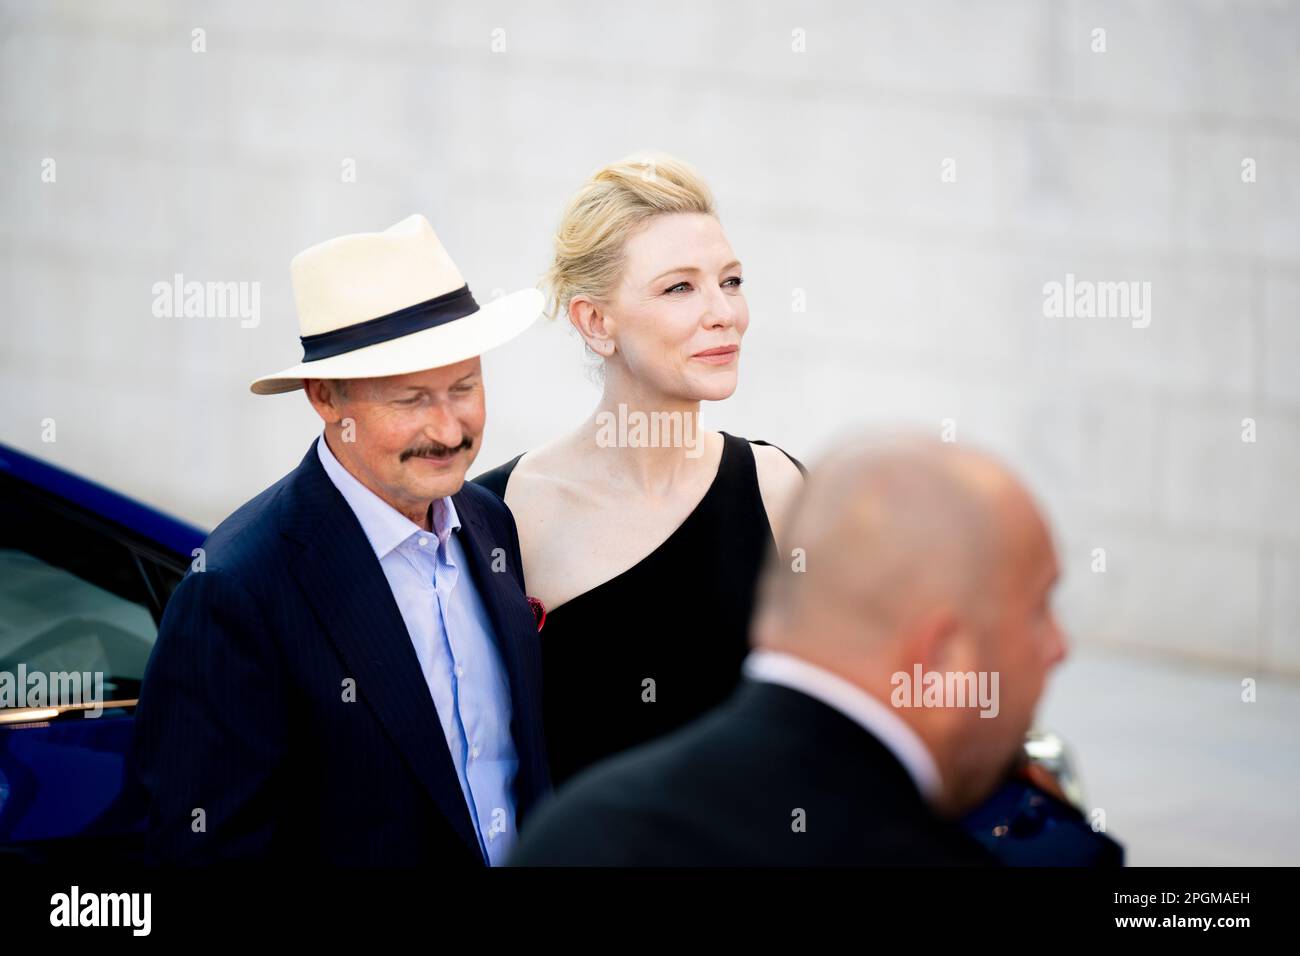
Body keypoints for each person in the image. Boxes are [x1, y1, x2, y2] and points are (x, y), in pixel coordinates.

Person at [132, 214, 551, 865]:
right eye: (412, 400)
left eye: (464, 388)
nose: (448, 429)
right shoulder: (235, 591)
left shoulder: (492, 521)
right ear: (326, 398)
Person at [509, 433, 1070, 865]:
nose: (1060, 647)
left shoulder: (580, 833)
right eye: (1039, 607)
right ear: (941, 652)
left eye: (732, 281)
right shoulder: (991, 852)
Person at [474, 154, 804, 786]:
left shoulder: (778, 487)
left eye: (730, 281)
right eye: (680, 287)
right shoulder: (504, 515)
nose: (723, 313)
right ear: (596, 323)